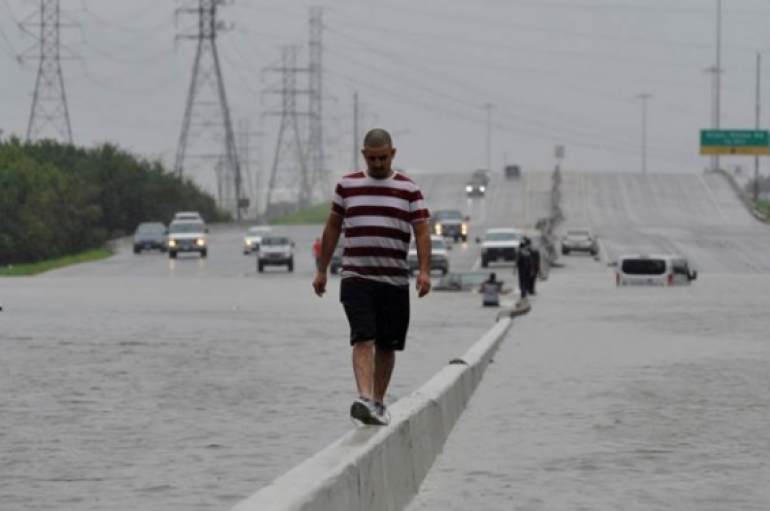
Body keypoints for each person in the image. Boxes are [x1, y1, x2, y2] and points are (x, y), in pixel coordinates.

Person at [312, 128, 432, 426]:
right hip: (357, 276)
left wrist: (425, 271)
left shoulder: (409, 189)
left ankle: (378, 402)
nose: (378, 164)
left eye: (383, 158)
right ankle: (364, 398)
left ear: (393, 154)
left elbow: (421, 231)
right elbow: (332, 228)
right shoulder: (347, 185)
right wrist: (322, 270)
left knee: (387, 345)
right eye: (373, 158)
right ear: (364, 155)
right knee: (363, 337)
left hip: (394, 280)